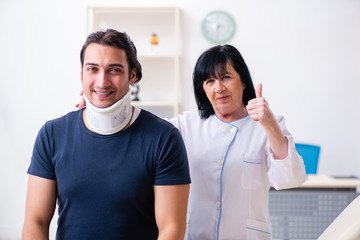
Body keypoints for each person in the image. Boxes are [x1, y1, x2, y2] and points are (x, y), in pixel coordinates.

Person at [76, 44, 307, 239]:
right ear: (202, 88)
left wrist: (268, 123)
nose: (219, 88)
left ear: (243, 82)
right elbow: (141, 129)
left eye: (226, 77)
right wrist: (102, 110)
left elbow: (290, 178)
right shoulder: (186, 125)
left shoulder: (269, 124)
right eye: (209, 81)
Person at [22, 29, 191, 240]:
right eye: (93, 69)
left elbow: (171, 230)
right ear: (82, 73)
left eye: (114, 70)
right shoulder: (52, 134)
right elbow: (35, 222)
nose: (102, 82)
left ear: (133, 75)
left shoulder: (163, 138)